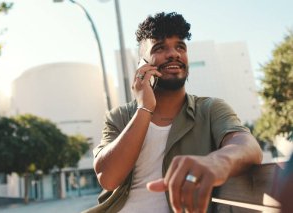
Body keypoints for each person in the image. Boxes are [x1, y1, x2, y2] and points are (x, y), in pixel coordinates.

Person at [84, 12, 262, 213]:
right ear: (143, 64)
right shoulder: (119, 117)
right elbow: (108, 177)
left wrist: (215, 162)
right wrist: (145, 107)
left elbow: (248, 146)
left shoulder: (211, 109)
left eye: (180, 47)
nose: (174, 54)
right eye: (160, 48)